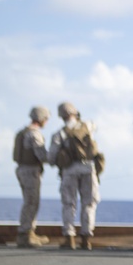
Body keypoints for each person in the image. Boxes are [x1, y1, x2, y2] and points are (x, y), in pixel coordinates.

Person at [48, 102, 102, 250]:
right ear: (75, 113)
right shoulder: (88, 126)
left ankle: (69, 238)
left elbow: (51, 158)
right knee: (89, 204)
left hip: (69, 170)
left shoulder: (60, 134)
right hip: (89, 168)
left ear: (61, 116)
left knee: (69, 204)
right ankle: (86, 239)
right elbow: (95, 128)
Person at [13, 106, 52, 248]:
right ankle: (25, 234)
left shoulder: (23, 132)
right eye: (46, 119)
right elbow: (42, 155)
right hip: (31, 171)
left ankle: (29, 233)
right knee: (31, 202)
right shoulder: (34, 134)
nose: (46, 122)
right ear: (41, 118)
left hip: (23, 169)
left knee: (29, 201)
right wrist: (56, 158)